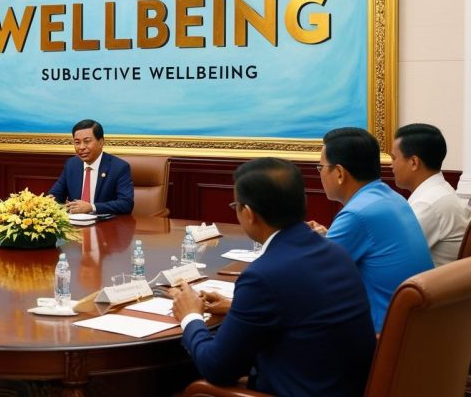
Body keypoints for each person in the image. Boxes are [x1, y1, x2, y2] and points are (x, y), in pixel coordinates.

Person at [170, 158, 375, 396]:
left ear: (248, 213)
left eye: (236, 206)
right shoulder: (334, 251)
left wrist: (190, 315)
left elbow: (217, 368)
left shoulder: (262, 276)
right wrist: (236, 307)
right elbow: (299, 308)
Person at [313, 127, 433, 332]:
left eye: (321, 167)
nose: (320, 173)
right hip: (416, 329)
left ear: (339, 173)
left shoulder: (357, 214)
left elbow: (312, 275)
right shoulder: (391, 198)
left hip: (382, 336)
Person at [391, 123, 471, 266]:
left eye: (394, 158)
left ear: (414, 162)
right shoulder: (438, 191)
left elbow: (393, 258)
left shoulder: (429, 203)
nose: (391, 165)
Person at [48, 119, 134, 215]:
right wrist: (48, 202)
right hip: (75, 222)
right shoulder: (71, 164)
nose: (81, 147)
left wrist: (92, 207)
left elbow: (126, 204)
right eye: (77, 142)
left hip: (105, 222)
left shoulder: (119, 167)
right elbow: (56, 195)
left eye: (87, 141)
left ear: (101, 142)